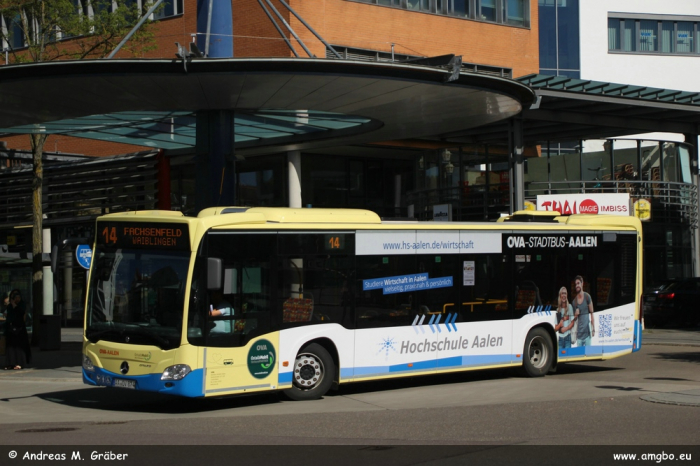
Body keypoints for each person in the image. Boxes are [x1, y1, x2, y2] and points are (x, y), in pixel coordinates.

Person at [4, 289, 32, 370]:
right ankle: (10, 363)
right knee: (10, 347)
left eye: (18, 297)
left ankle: (19, 363)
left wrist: (14, 305)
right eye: (15, 297)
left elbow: (21, 313)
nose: (17, 299)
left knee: (19, 347)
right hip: (11, 328)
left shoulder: (22, 304)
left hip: (19, 328)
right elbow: (9, 315)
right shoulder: (9, 306)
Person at [572, 276, 595, 346]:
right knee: (579, 356)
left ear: (582, 284)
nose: (577, 286)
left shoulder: (587, 297)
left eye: (578, 283)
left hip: (587, 335)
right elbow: (573, 320)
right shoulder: (574, 302)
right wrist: (575, 316)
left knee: (589, 355)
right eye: (576, 284)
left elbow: (592, 313)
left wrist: (593, 328)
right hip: (579, 337)